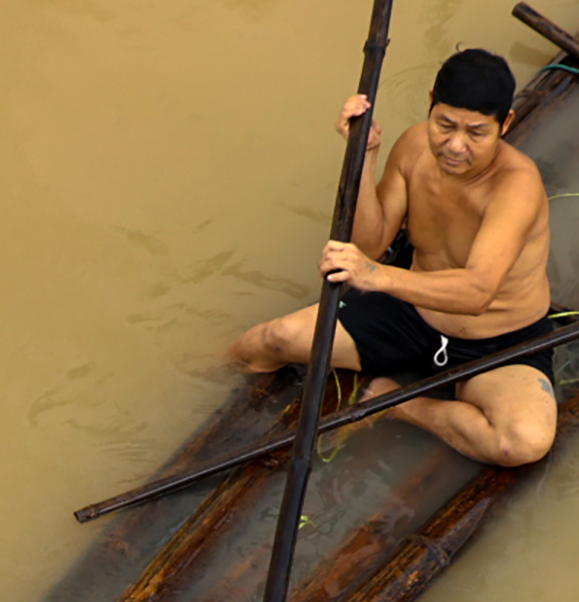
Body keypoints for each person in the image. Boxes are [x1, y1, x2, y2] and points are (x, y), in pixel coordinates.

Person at [227, 47, 561, 466]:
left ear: (505, 124)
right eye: (445, 125)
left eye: (476, 133)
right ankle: (205, 390)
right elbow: (370, 243)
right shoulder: (415, 147)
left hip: (496, 342)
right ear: (430, 105)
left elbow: (477, 292)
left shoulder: (516, 185)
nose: (456, 146)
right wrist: (363, 155)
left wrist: (375, 276)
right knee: (271, 340)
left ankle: (393, 401)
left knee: (521, 442)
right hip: (410, 312)